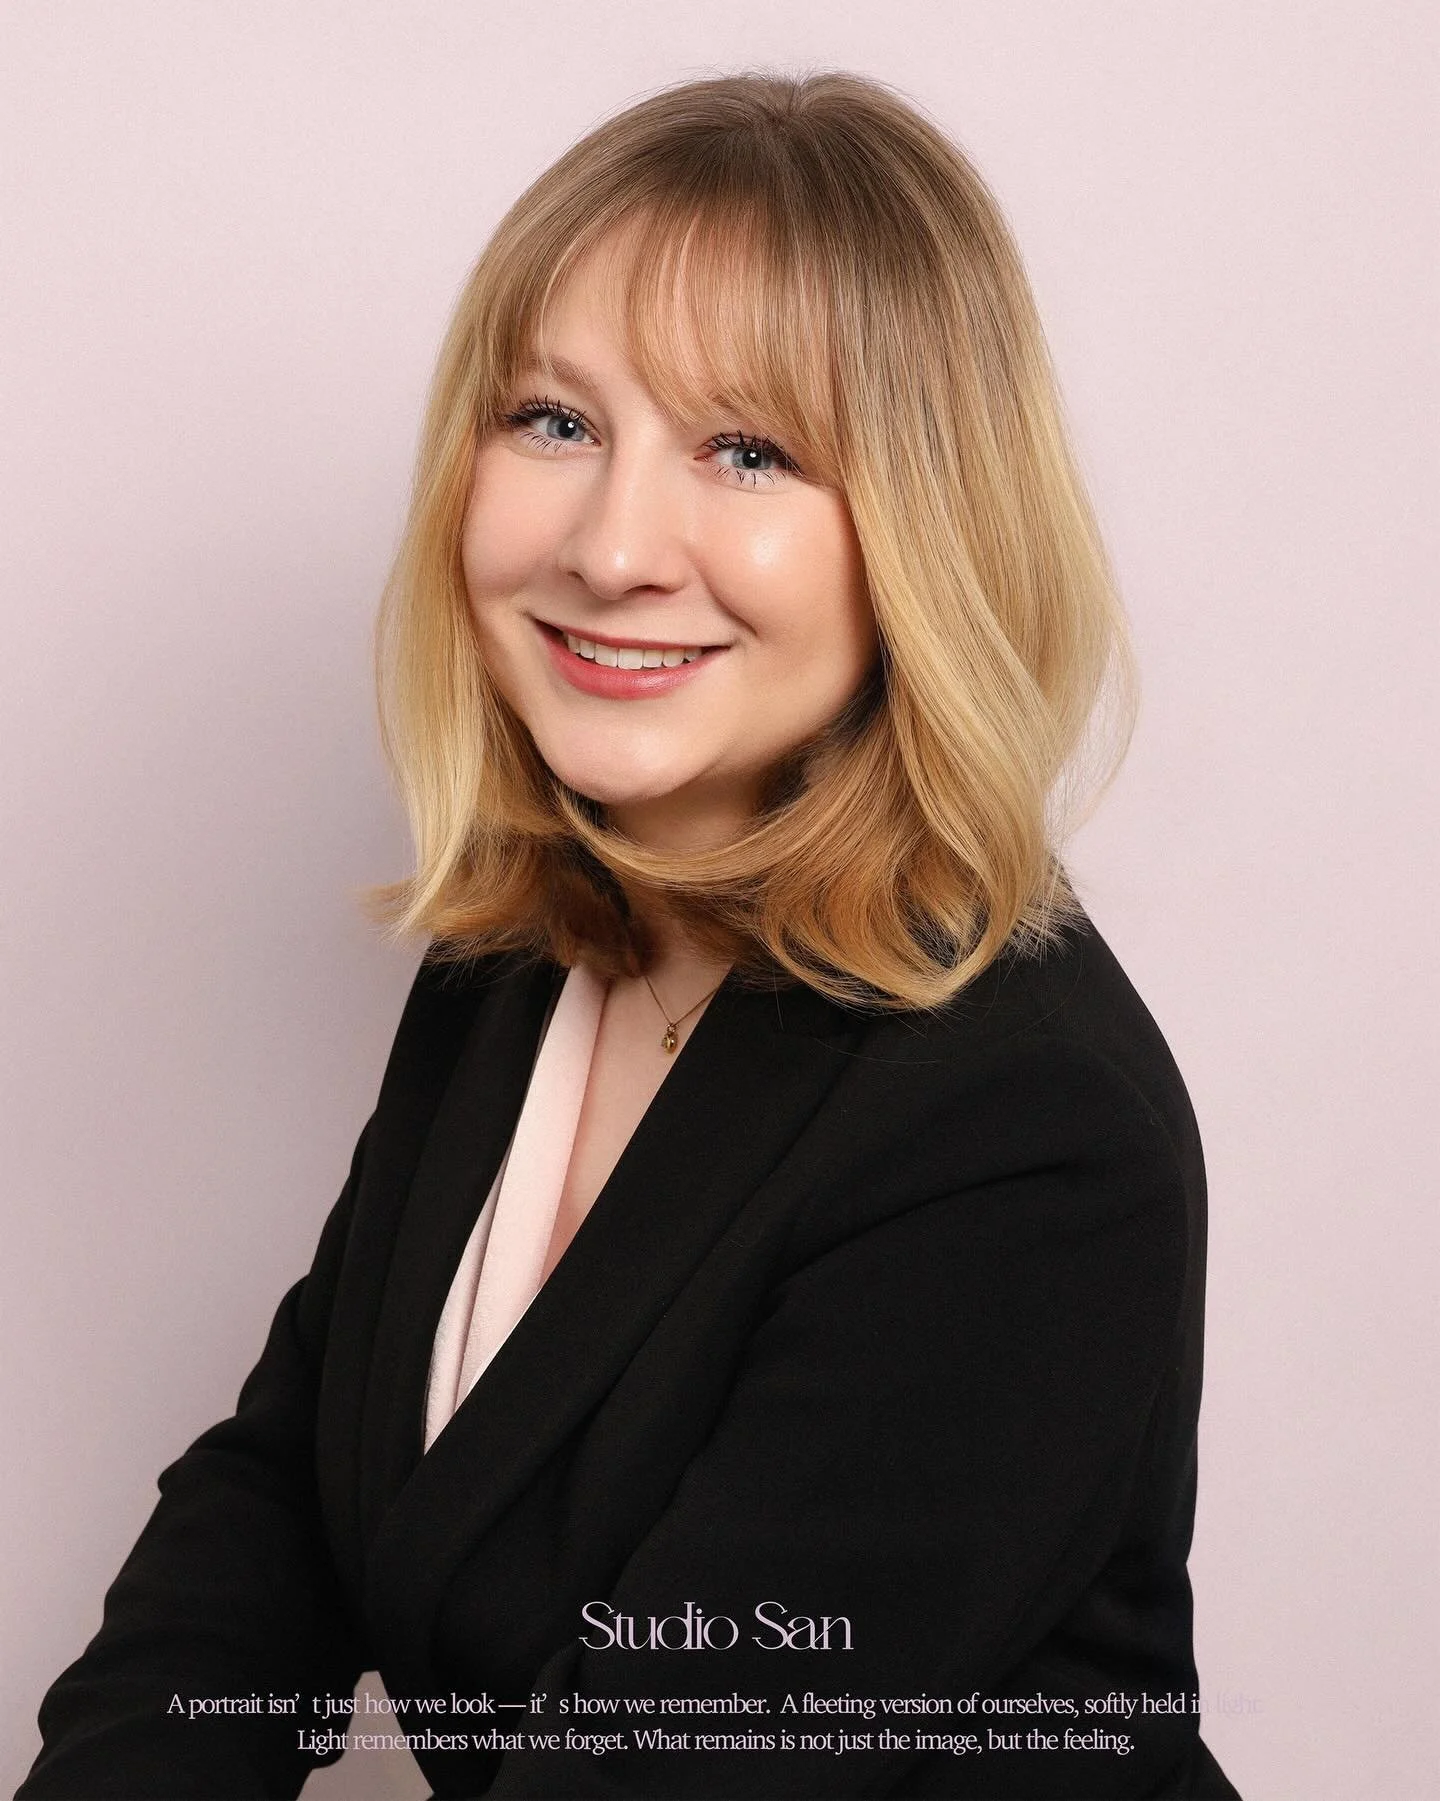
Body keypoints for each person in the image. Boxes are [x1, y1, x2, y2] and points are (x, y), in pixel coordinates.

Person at [18, 71, 1240, 1801]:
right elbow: (288, 1502)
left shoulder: (1020, 1136)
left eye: (749, 451)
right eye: (554, 421)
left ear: (926, 528)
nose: (610, 548)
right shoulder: (530, 960)